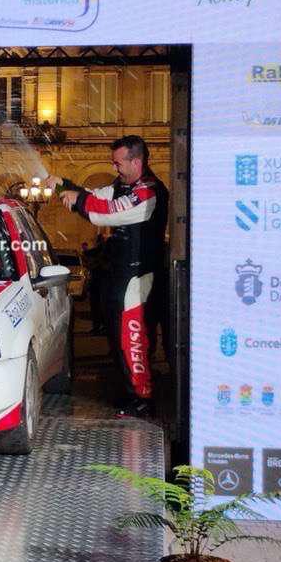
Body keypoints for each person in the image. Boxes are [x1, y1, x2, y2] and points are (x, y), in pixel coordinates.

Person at [45, 136, 169, 419]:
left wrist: (78, 200)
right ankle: (130, 390)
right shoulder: (123, 186)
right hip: (120, 272)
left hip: (138, 274)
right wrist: (64, 185)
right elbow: (97, 196)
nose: (115, 168)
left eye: (118, 163)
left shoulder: (149, 191)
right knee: (118, 336)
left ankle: (142, 398)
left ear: (136, 161)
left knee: (132, 337)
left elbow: (104, 212)